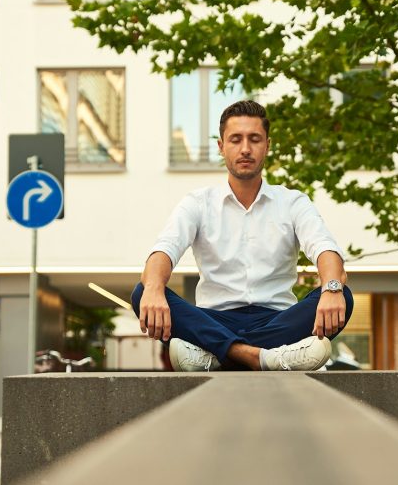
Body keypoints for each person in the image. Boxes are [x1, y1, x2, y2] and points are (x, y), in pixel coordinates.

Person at [131, 100, 353, 371]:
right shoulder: (198, 202)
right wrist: (153, 289)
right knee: (142, 291)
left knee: (344, 296)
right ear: (221, 147)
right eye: (235, 139)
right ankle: (265, 357)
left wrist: (332, 287)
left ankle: (217, 354)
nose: (245, 148)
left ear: (267, 146)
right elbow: (163, 251)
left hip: (277, 320)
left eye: (254, 139)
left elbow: (325, 249)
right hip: (215, 319)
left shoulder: (292, 202)